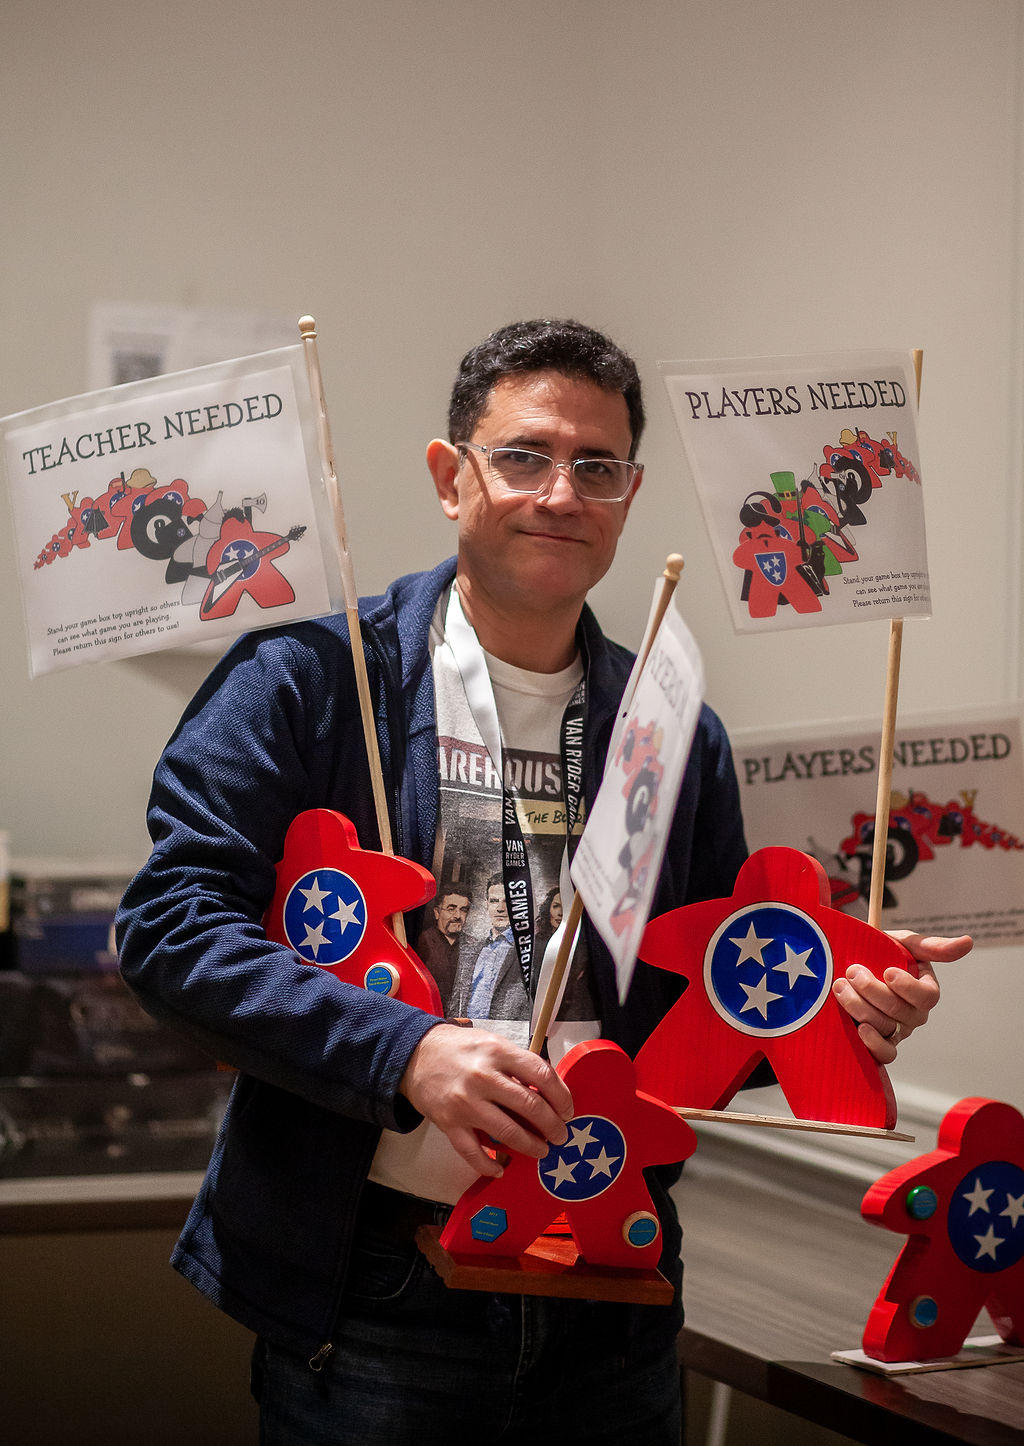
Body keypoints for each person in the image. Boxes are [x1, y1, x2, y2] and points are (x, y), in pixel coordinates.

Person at [116, 318, 969, 1445]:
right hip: (378, 1288)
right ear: (449, 474)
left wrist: (837, 1018)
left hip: (610, 1287)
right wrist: (405, 1052)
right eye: (522, 455)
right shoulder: (312, 684)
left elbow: (695, 1029)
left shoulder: (669, 728)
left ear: (628, 492)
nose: (560, 493)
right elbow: (170, 930)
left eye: (597, 466)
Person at [414, 881, 471, 1010]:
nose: (457, 916)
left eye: (463, 910)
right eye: (451, 909)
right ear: (437, 913)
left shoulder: (474, 946)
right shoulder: (422, 942)